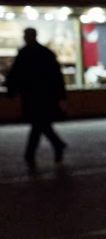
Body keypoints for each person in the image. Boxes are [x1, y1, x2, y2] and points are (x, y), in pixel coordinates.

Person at [6, 27, 67, 168]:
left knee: (38, 124)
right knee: (41, 124)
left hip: (32, 95)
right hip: (44, 95)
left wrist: (12, 90)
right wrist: (60, 94)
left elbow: (16, 73)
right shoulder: (45, 53)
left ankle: (30, 154)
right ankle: (56, 145)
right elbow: (56, 75)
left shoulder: (24, 53)